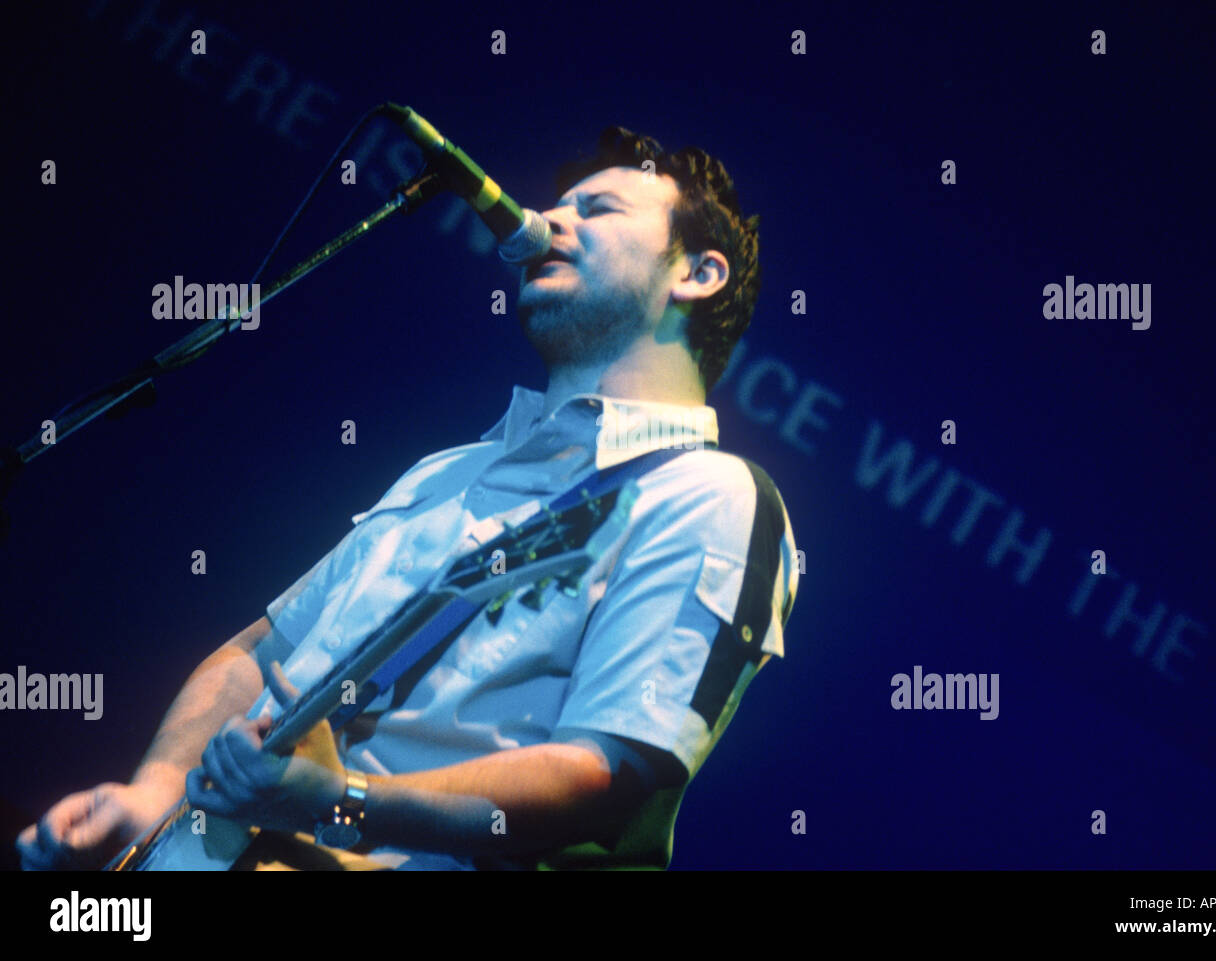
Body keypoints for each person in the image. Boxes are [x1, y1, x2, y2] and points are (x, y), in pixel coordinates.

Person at [17, 126, 798, 870]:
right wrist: (155, 792)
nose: (549, 219)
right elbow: (258, 651)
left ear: (697, 273)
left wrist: (342, 799)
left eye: (597, 210)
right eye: (560, 204)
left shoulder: (708, 493)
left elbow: (604, 772)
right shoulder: (447, 470)